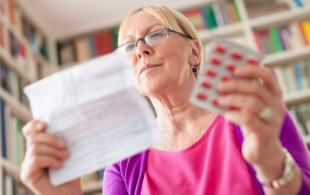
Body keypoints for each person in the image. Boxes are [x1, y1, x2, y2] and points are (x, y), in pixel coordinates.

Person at [20, 4, 310, 195]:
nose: (141, 50)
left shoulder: (252, 116)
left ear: (194, 52)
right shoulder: (123, 160)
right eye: (129, 46)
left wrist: (271, 162)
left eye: (156, 34)